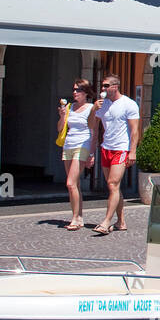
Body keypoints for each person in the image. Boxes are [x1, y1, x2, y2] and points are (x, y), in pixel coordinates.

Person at [89, 75, 140, 235]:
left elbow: (135, 131)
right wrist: (93, 110)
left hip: (121, 148)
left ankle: (106, 222)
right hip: (106, 148)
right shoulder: (102, 105)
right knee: (114, 187)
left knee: (112, 184)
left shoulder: (128, 104)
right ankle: (121, 221)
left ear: (115, 86)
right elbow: (92, 126)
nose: (103, 89)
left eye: (106, 86)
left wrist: (132, 151)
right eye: (102, 86)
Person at [58, 78, 96, 231]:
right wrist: (62, 116)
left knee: (70, 183)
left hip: (83, 146)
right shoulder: (69, 107)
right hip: (68, 145)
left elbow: (94, 132)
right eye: (74, 90)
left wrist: (92, 154)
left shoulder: (91, 108)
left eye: (78, 90)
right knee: (75, 184)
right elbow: (60, 129)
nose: (74, 92)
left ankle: (75, 218)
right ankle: (79, 216)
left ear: (86, 93)